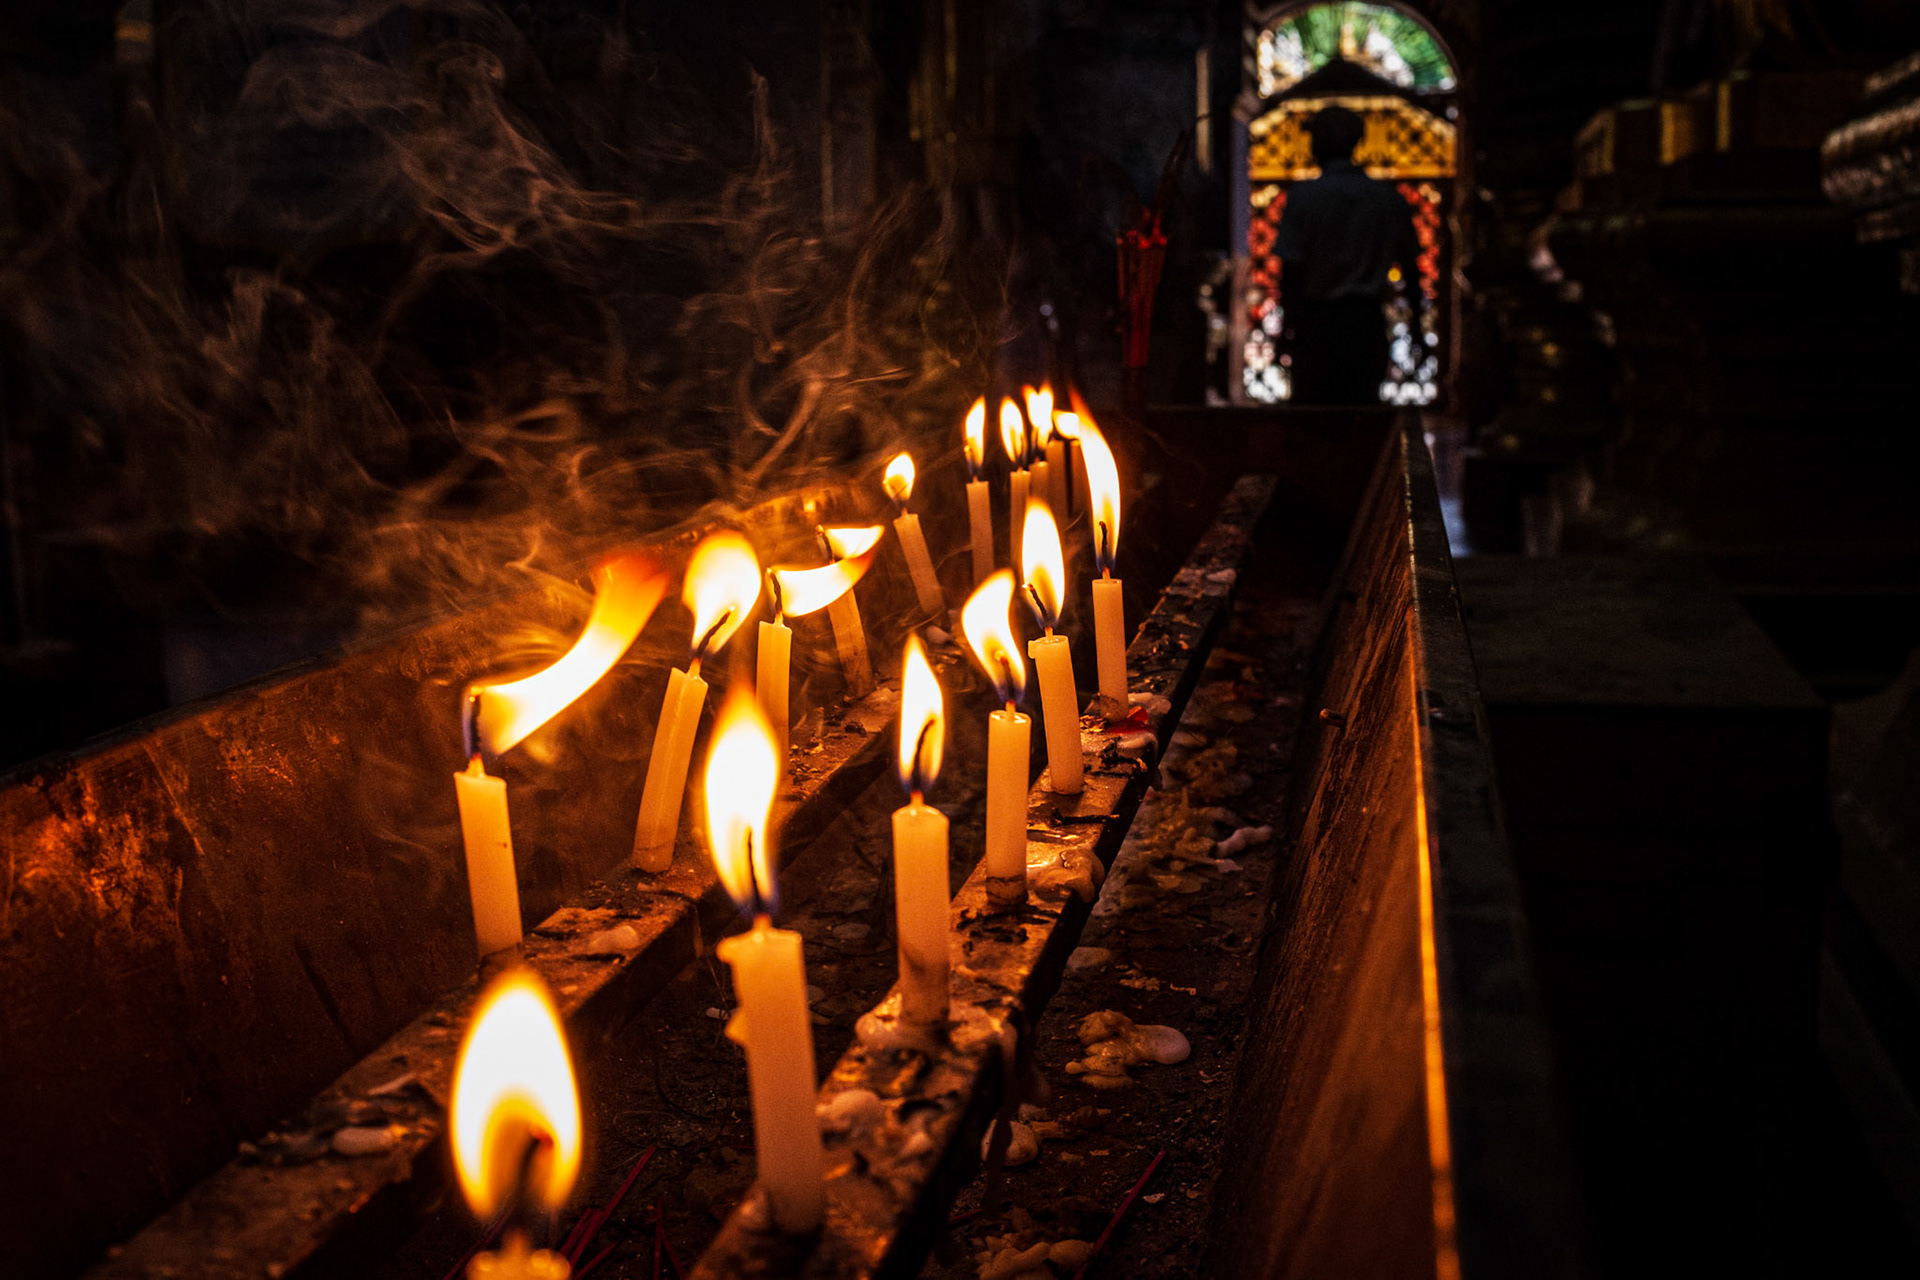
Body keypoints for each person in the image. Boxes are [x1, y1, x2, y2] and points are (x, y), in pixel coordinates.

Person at [1273, 105, 1421, 405]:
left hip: (1317, 329)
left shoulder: (1304, 197)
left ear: (1322, 143)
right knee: (1360, 417)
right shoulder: (1388, 198)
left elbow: (1292, 274)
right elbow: (1410, 267)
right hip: (1365, 326)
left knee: (1314, 422)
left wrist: (1287, 332)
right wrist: (1417, 326)